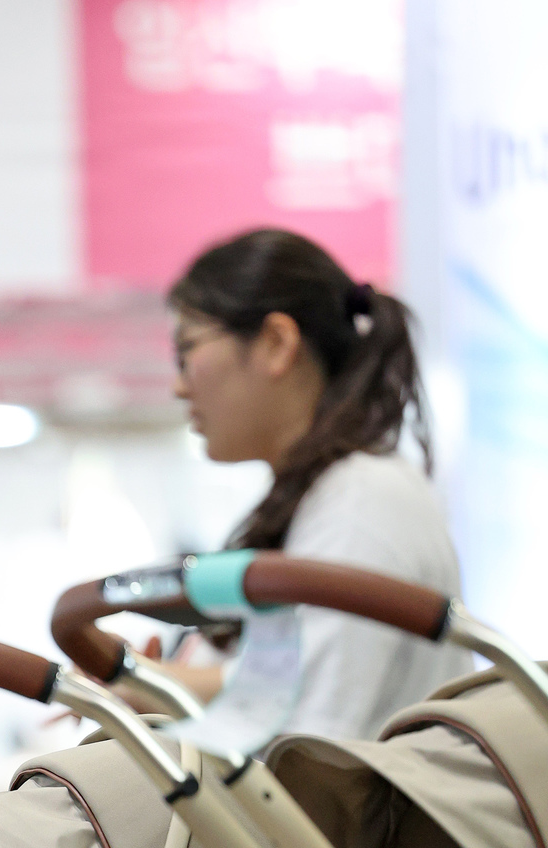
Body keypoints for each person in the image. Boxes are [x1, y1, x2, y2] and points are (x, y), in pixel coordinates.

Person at [143, 227, 471, 739]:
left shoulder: (362, 503)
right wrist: (152, 682)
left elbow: (309, 745)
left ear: (276, 344)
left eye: (186, 349)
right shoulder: (324, 501)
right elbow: (287, 684)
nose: (179, 385)